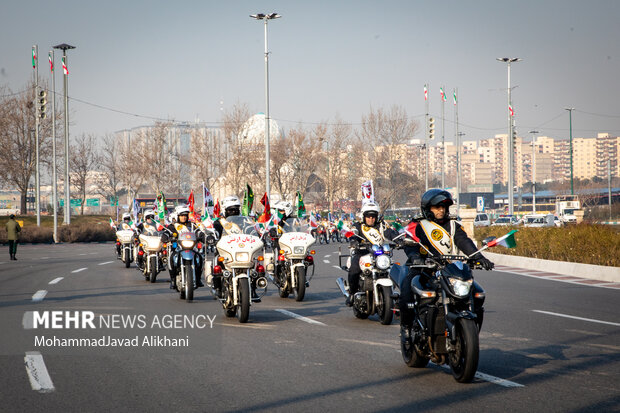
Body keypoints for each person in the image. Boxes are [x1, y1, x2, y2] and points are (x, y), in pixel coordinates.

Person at [398, 189, 494, 338]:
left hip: (450, 269)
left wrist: (479, 257)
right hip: (424, 268)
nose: (441, 210)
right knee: (407, 289)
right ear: (427, 208)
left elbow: (463, 241)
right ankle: (406, 328)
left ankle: (468, 332)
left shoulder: (453, 225)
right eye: (437, 207)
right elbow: (410, 244)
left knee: (477, 294)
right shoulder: (418, 225)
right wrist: (416, 257)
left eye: (444, 207)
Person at [346, 201, 398, 306]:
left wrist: (400, 240)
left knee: (395, 269)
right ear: (364, 216)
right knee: (354, 270)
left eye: (373, 216)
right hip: (362, 253)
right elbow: (353, 233)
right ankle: (352, 293)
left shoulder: (381, 226)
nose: (371, 219)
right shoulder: (358, 226)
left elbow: (391, 234)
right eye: (369, 216)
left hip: (380, 254)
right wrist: (353, 240)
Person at [165, 206, 204, 290]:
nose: (184, 217)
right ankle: (173, 279)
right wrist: (165, 236)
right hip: (178, 247)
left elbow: (198, 232)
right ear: (178, 216)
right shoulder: (173, 226)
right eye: (182, 215)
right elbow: (166, 232)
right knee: (171, 257)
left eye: (185, 215)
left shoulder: (192, 225)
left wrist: (202, 236)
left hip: (191, 247)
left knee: (200, 257)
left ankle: (198, 279)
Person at [212, 195, 241, 298]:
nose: (234, 212)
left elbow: (251, 231)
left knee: (254, 261)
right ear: (225, 211)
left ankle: (253, 287)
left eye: (236, 209)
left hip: (241, 249)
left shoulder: (244, 221)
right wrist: (212, 237)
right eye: (231, 210)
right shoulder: (219, 223)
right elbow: (215, 233)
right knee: (216, 261)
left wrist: (258, 235)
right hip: (225, 250)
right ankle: (218, 287)